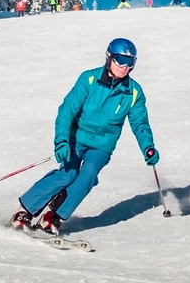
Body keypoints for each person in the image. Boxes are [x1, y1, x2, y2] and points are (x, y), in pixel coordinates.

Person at [10, 38, 158, 236]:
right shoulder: (89, 79)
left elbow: (140, 123)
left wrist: (147, 146)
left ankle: (53, 216)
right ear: (109, 58)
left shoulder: (133, 92)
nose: (125, 66)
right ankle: (25, 212)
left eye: (130, 62)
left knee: (88, 175)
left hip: (102, 146)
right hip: (76, 139)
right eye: (121, 60)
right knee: (68, 173)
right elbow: (67, 110)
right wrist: (62, 140)